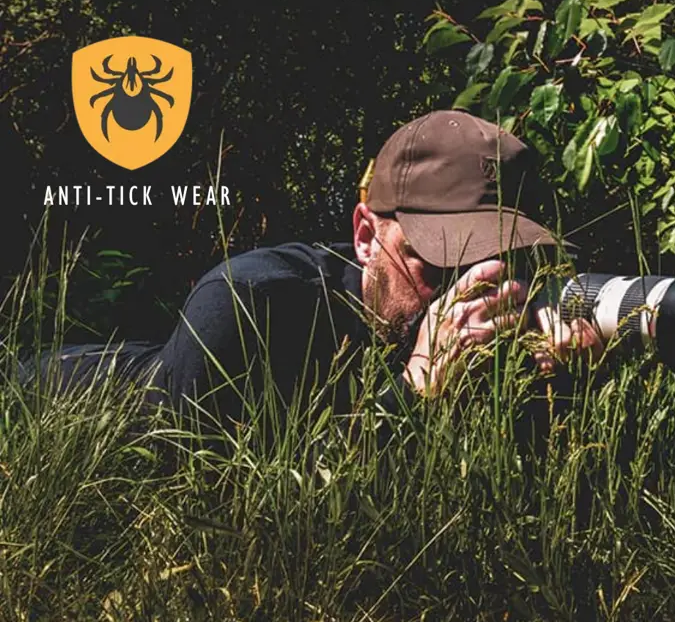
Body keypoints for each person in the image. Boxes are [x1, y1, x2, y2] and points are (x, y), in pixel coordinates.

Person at [20, 110, 603, 434]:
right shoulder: (253, 302)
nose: (468, 286)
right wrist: (418, 389)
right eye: (439, 260)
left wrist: (565, 387)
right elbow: (233, 513)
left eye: (495, 259)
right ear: (366, 237)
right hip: (48, 399)